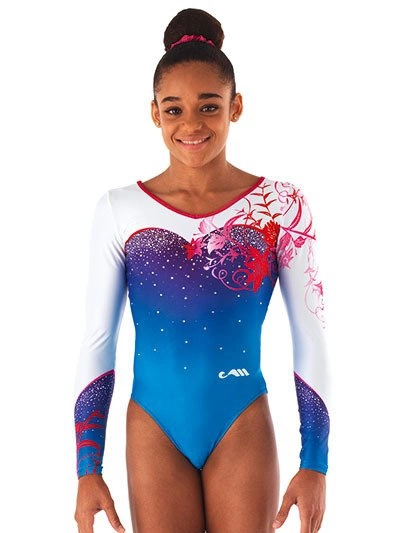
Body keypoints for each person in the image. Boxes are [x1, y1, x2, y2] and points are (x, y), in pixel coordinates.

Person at [74, 8, 330, 533]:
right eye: (174, 109)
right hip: (153, 427)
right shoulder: (119, 209)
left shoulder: (281, 206)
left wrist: (316, 462)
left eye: (209, 106)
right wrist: (86, 467)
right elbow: (98, 340)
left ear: (236, 106)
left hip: (241, 421)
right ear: (154, 113)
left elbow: (311, 338)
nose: (191, 125)